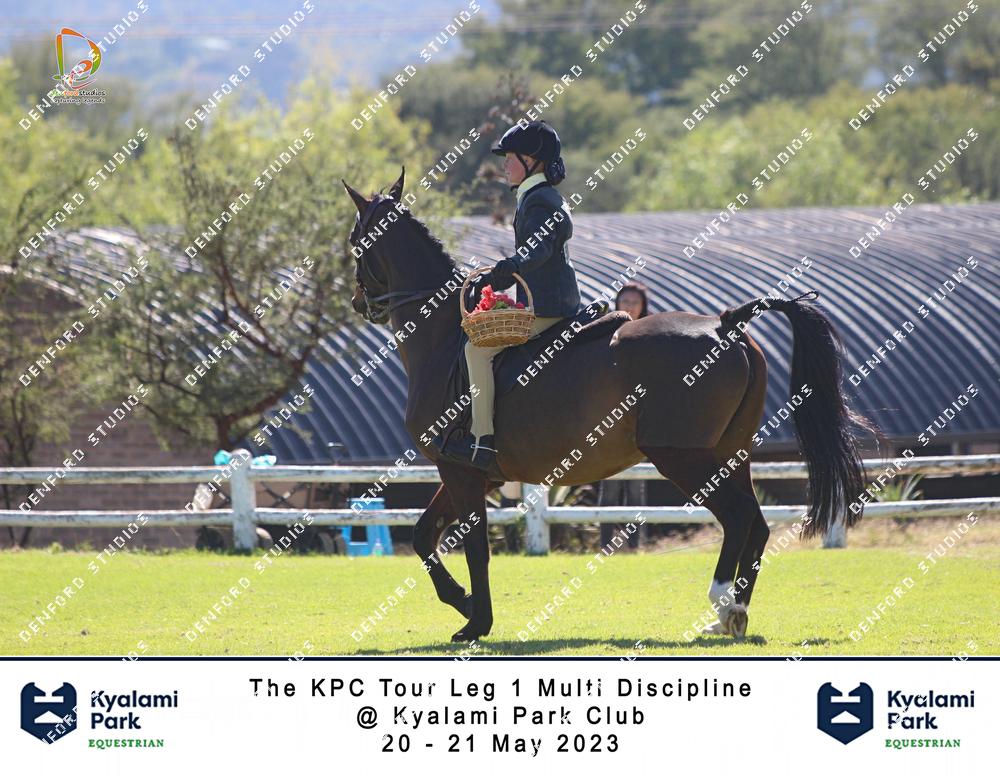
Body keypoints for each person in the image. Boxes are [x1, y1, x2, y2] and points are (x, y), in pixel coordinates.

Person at [434, 120, 581, 473]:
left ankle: (482, 439)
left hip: (548, 306)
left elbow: (538, 250)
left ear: (532, 161)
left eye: (510, 158)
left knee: (476, 349)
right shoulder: (541, 196)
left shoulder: (538, 201)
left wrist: (509, 266)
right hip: (553, 299)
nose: (504, 166)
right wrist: (499, 278)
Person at [598, 282, 650, 549]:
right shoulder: (609, 334)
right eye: (625, 301)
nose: (629, 306)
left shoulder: (650, 334)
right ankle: (605, 545)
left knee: (636, 486)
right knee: (609, 484)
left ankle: (635, 546)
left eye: (634, 302)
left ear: (643, 306)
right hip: (611, 419)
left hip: (640, 418)